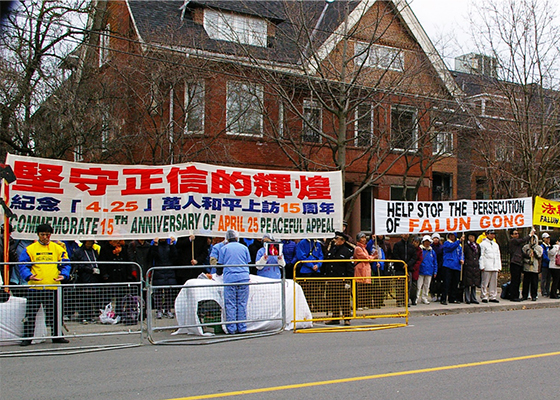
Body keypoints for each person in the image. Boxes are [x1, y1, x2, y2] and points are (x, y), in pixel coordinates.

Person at [18, 224, 71, 346]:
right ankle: (27, 338)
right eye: (43, 235)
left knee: (55, 314)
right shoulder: (30, 249)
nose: (45, 237)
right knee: (31, 314)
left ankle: (57, 336)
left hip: (53, 286)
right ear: (38, 235)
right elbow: (22, 264)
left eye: (48, 235)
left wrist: (64, 275)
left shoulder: (57, 248)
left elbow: (66, 263)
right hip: (35, 287)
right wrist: (29, 276)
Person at [218, 229, 251, 334]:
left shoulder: (224, 249)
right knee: (242, 303)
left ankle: (231, 328)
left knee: (231, 303)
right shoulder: (244, 248)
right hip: (243, 277)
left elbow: (220, 265)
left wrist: (218, 273)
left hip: (230, 278)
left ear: (227, 238)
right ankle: (242, 327)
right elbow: (248, 261)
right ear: (237, 237)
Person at [323, 232, 354, 325]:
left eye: (338, 239)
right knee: (333, 299)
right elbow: (328, 262)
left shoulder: (347, 251)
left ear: (343, 241)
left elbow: (350, 268)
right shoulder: (332, 249)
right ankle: (335, 317)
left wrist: (349, 281)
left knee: (344, 299)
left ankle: (347, 318)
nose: (335, 240)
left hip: (342, 279)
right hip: (332, 278)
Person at [71, 240, 102, 322]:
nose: (91, 244)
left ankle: (90, 315)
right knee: (83, 297)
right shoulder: (79, 252)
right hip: (83, 277)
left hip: (94, 277)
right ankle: (83, 315)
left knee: (92, 297)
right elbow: (77, 265)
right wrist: (90, 269)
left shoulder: (94, 251)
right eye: (89, 242)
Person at [148, 237, 178, 319]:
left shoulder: (170, 245)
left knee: (169, 292)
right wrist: (155, 245)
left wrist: (172, 245)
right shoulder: (154, 245)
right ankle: (159, 309)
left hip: (169, 270)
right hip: (158, 270)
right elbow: (153, 256)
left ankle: (168, 309)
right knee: (158, 292)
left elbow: (174, 256)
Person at [295, 238, 324, 311]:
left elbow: (321, 256)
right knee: (306, 292)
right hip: (306, 271)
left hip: (316, 271)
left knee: (316, 291)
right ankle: (306, 308)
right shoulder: (302, 243)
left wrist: (318, 265)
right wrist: (311, 265)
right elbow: (301, 256)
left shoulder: (317, 243)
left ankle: (316, 307)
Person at [508, 228, 534, 301]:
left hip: (519, 262)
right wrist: (530, 235)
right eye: (515, 234)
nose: (517, 235)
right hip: (515, 262)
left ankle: (516, 295)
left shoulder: (518, 245)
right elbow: (522, 240)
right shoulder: (513, 241)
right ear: (512, 235)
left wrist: (528, 256)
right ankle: (513, 296)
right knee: (515, 280)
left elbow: (521, 253)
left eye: (517, 233)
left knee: (518, 280)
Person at [392, 234, 417, 307]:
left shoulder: (411, 246)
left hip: (408, 269)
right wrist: (401, 264)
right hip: (399, 268)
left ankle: (406, 300)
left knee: (408, 286)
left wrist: (408, 264)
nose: (406, 235)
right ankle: (399, 301)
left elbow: (414, 257)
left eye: (407, 234)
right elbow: (395, 255)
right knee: (399, 285)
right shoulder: (397, 245)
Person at [441, 232, 464, 305]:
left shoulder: (459, 245)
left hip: (456, 266)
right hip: (448, 265)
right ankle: (444, 298)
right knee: (446, 283)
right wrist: (459, 241)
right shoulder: (447, 243)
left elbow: (461, 253)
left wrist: (462, 259)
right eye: (450, 235)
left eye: (453, 235)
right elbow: (451, 247)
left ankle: (452, 298)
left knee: (455, 283)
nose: (451, 237)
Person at [479, 229, 501, 303]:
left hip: (494, 266)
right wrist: (481, 266)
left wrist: (499, 266)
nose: (492, 235)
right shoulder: (483, 244)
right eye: (491, 234)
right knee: (485, 282)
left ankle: (492, 296)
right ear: (487, 234)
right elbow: (481, 255)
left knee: (494, 283)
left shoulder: (495, 244)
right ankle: (484, 296)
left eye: (493, 234)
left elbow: (498, 256)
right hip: (487, 265)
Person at [354, 232, 374, 309]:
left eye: (365, 238)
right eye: (362, 237)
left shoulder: (364, 248)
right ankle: (359, 304)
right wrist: (373, 257)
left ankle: (365, 303)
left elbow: (367, 257)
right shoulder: (358, 248)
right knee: (360, 288)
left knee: (365, 288)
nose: (364, 239)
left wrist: (371, 257)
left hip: (365, 270)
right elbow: (365, 258)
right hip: (360, 270)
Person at [521, 234, 542, 301]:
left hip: (534, 267)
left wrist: (534, 250)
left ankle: (534, 295)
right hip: (527, 267)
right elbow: (523, 256)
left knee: (534, 283)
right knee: (526, 282)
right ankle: (524, 295)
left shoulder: (539, 248)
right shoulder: (525, 247)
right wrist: (527, 261)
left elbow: (539, 256)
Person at [417, 235, 437, 305]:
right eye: (426, 242)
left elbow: (435, 262)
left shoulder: (432, 251)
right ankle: (416, 297)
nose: (427, 243)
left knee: (426, 286)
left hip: (429, 271)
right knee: (419, 285)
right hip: (421, 270)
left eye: (428, 242)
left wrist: (435, 271)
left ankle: (424, 297)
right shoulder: (420, 250)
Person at [462, 233, 481, 304]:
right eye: (470, 236)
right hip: (468, 265)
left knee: (474, 283)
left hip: (475, 266)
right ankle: (467, 298)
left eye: (472, 237)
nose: (471, 238)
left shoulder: (477, 246)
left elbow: (479, 255)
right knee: (467, 283)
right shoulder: (466, 246)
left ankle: (473, 297)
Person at [430, 233, 444, 302]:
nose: (436, 239)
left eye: (437, 238)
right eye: (434, 238)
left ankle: (439, 294)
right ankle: (432, 294)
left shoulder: (441, 247)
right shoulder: (430, 247)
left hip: (440, 266)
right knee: (432, 282)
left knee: (439, 282)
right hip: (431, 266)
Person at [410, 236, 423, 306]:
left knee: (414, 286)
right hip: (409, 267)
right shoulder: (410, 248)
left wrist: (414, 267)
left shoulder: (419, 251)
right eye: (414, 242)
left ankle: (413, 299)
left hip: (415, 270)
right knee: (408, 284)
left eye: (417, 242)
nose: (415, 243)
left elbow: (419, 260)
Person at [540, 232, 552, 297]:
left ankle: (547, 290)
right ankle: (543, 291)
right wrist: (549, 260)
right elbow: (544, 256)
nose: (548, 239)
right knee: (543, 278)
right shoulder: (542, 246)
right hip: (545, 265)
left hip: (550, 265)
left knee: (548, 279)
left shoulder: (549, 246)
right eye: (547, 238)